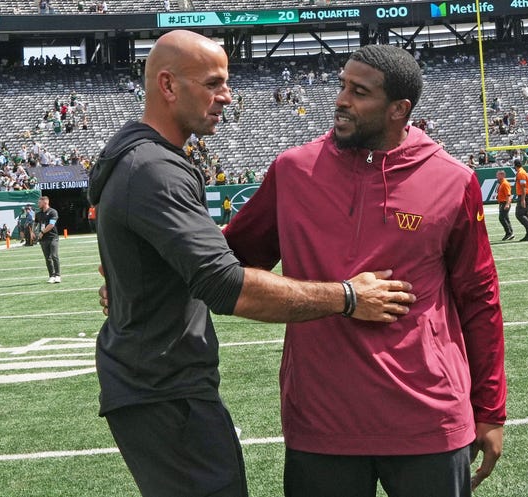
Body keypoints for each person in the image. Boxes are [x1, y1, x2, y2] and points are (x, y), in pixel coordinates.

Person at [88, 31, 415, 497]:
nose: (227, 96)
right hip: (163, 388)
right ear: (167, 85)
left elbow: (181, 262)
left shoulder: (140, 156)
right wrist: (348, 297)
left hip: (155, 383)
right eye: (213, 82)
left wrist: (134, 284)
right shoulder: (154, 169)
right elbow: (226, 285)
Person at [224, 45, 506, 497]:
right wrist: (143, 269)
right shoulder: (293, 171)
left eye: (359, 91)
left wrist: (490, 409)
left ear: (399, 109)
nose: (340, 99)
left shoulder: (453, 180)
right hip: (322, 422)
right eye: (341, 85)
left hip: (429, 418)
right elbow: (229, 257)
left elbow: (479, 298)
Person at [35, 196, 60, 282]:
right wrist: (32, 232)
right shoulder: (38, 214)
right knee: (47, 258)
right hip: (43, 239)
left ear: (45, 202)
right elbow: (35, 223)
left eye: (39, 202)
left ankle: (57, 275)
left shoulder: (53, 212)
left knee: (54, 255)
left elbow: (51, 224)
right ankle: (51, 275)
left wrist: (42, 232)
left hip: (53, 237)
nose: (38, 204)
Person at [514, 160, 528, 241]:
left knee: (519, 214)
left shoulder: (521, 173)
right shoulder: (522, 172)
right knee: (526, 215)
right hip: (526, 196)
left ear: (515, 166)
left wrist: (523, 199)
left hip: (525, 196)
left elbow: (523, 187)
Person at [496, 170, 514, 240]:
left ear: (502, 175)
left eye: (497, 175)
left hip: (505, 203)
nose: (496, 176)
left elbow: (508, 195)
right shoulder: (501, 183)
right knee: (505, 218)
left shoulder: (505, 183)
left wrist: (507, 204)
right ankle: (510, 233)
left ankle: (509, 233)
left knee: (502, 218)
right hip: (502, 203)